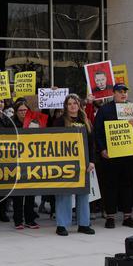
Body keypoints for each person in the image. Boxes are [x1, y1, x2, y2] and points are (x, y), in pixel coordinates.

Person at [93, 83, 133, 229]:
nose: (123, 94)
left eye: (125, 92)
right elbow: (97, 131)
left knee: (128, 185)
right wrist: (102, 149)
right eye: (120, 91)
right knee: (110, 185)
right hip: (111, 155)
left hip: (129, 154)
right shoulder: (105, 109)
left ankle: (127, 216)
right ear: (114, 93)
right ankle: (110, 216)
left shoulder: (132, 108)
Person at [52, 94, 96, 236]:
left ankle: (84, 224)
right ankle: (62, 225)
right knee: (64, 193)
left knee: (83, 194)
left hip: (83, 162)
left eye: (75, 103)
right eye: (69, 103)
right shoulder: (59, 121)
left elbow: (91, 143)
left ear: (79, 105)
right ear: (65, 106)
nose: (72, 106)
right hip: (65, 163)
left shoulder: (86, 121)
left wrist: (92, 161)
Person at [8, 100, 40, 230]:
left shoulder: (34, 123)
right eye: (20, 110)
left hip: (31, 161)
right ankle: (18, 220)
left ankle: (30, 219)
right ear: (16, 112)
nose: (23, 113)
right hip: (16, 161)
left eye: (25, 110)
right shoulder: (11, 123)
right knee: (18, 193)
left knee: (31, 192)